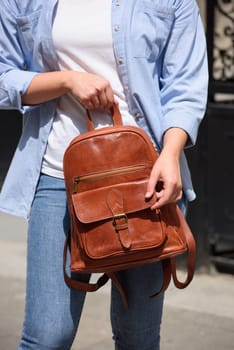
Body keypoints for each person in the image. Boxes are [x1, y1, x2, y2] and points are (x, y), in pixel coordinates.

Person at [0, 0, 208, 349]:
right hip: (58, 180)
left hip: (146, 179)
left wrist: (171, 154)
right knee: (47, 338)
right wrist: (65, 80)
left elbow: (185, 86)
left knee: (137, 338)